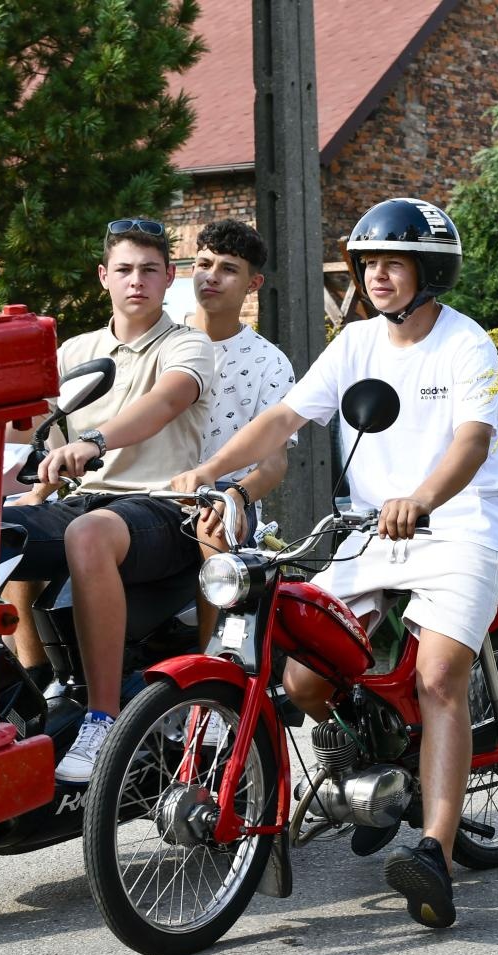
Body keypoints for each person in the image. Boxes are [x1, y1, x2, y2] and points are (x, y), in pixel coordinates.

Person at [171, 197, 498, 929]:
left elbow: (473, 441)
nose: (378, 275)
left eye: (394, 262)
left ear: (429, 270)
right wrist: (209, 473)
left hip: (459, 525)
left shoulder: (465, 344)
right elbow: (282, 420)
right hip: (374, 532)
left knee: (437, 679)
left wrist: (422, 495)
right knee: (301, 671)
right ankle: (369, 757)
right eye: (369, 263)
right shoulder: (356, 341)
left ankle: (433, 854)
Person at [1, 217, 214, 784]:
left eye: (149, 270)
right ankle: (18, 693)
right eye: (124, 270)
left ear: (171, 277)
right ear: (104, 277)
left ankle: (102, 719)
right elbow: (35, 432)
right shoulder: (77, 350)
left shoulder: (189, 343)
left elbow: (168, 402)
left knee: (86, 533)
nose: (136, 281)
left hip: (167, 507)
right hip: (86, 500)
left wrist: (92, 441)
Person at [185, 219, 297, 647]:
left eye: (229, 268)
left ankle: (212, 669)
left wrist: (238, 496)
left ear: (254, 283)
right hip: (151, 485)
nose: (211, 276)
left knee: (215, 527)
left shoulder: (270, 363)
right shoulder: (165, 343)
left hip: (227, 493)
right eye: (203, 263)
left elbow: (274, 462)